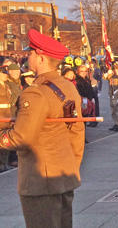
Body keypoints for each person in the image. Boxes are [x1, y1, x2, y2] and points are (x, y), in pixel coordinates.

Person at [0, 29, 85, 228]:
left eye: (30, 54)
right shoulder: (68, 87)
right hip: (64, 176)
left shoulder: (36, 93)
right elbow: (77, 131)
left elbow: (22, 137)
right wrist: (72, 167)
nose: (27, 58)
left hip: (40, 181)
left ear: (40, 58)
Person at [104, 62, 118, 132]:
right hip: (112, 95)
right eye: (114, 69)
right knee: (112, 111)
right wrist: (108, 72)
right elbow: (104, 77)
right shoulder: (112, 76)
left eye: (116, 69)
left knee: (117, 111)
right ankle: (115, 123)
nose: (114, 71)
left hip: (117, 96)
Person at [0, 65, 13, 173]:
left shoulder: (6, 86)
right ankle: (1, 164)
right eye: (3, 73)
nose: (5, 75)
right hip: (1, 117)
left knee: (7, 141)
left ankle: (5, 163)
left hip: (7, 116)